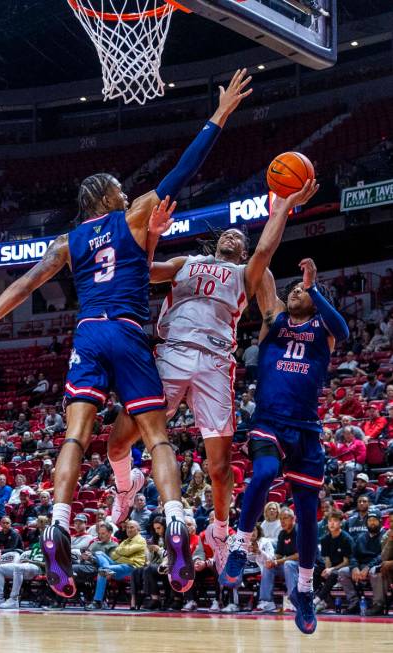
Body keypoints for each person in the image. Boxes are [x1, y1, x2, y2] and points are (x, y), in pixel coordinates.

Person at [0, 68, 254, 599]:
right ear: (107, 198)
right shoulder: (132, 217)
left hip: (87, 334)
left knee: (74, 436)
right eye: (120, 188)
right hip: (128, 333)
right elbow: (181, 172)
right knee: (157, 437)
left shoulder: (67, 242)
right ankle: (177, 521)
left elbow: (22, 285)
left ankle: (57, 523)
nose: (127, 190)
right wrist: (219, 114)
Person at [106, 181, 319, 577]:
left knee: (219, 468)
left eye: (241, 237)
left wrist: (284, 206)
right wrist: (149, 234)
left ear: (241, 249)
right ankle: (125, 483)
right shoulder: (185, 263)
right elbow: (143, 272)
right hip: (170, 354)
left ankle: (219, 533)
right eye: (230, 234)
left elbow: (266, 250)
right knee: (116, 443)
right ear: (218, 241)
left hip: (215, 364)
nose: (235, 237)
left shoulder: (245, 272)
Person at [223, 258, 349, 635]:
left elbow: (342, 330)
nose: (295, 292)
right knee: (262, 473)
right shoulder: (273, 318)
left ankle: (305, 591)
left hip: (306, 430)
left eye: (302, 291)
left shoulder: (323, 327)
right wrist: (278, 211)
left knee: (308, 514)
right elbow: (262, 267)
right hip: (268, 422)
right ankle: (241, 544)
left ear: (314, 298)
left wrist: (311, 286)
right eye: (293, 289)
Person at [86, 520, 146, 610]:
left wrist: (121, 551)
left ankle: (97, 601)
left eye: (132, 527)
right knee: (99, 553)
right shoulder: (125, 541)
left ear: (138, 529)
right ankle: (106, 569)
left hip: (131, 568)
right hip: (118, 566)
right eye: (128, 527)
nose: (129, 529)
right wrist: (122, 552)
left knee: (102, 571)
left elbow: (125, 551)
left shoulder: (141, 540)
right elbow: (114, 555)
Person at [337, 507, 386, 614]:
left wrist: (368, 567)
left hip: (374, 567)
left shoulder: (385, 535)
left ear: (380, 521)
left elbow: (382, 556)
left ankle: (378, 604)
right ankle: (354, 602)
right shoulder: (361, 537)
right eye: (369, 520)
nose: (372, 523)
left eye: (374, 520)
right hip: (361, 567)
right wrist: (354, 567)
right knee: (342, 572)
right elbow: (353, 555)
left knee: (375, 572)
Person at [0, 536, 47, 609]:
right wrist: (27, 561)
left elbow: (47, 564)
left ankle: (14, 599)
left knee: (18, 568)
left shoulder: (52, 546)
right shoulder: (36, 545)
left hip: (39, 569)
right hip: (28, 566)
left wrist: (30, 561)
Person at [256, 508, 299, 613]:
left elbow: (298, 556)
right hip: (288, 566)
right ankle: (267, 601)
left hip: (303, 567)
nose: (282, 521)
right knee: (268, 565)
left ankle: (293, 601)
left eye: (285, 518)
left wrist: (278, 561)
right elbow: (279, 553)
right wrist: (273, 559)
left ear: (293, 519)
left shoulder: (299, 532)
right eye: (281, 519)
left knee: (288, 564)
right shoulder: (282, 534)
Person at [313, 510, 353, 612]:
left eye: (335, 521)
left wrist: (331, 569)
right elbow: (327, 559)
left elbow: (347, 561)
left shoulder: (346, 539)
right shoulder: (325, 539)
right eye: (329, 521)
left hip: (347, 566)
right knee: (315, 571)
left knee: (334, 574)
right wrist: (327, 569)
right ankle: (319, 599)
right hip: (333, 566)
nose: (331, 523)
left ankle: (316, 601)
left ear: (341, 523)